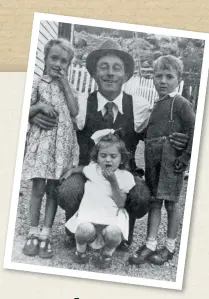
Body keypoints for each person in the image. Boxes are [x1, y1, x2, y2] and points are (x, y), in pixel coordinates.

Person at [29, 40, 189, 251]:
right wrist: (33, 118)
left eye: (117, 69)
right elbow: (60, 122)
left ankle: (120, 232)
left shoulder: (139, 106)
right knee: (67, 190)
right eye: (103, 67)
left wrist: (184, 139)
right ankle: (77, 231)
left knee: (141, 195)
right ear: (94, 74)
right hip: (87, 173)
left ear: (126, 76)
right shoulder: (82, 102)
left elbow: (158, 132)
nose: (110, 73)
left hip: (122, 175)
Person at [129, 55, 195, 266]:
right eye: (159, 76)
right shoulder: (156, 105)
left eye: (169, 76)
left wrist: (185, 156)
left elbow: (195, 129)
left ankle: (169, 247)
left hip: (171, 161)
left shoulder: (180, 103)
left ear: (179, 79)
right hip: (153, 161)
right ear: (153, 79)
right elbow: (148, 133)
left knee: (172, 205)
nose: (163, 81)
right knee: (155, 202)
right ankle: (150, 244)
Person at [22, 38, 79, 258]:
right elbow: (23, 111)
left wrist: (65, 85)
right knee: (37, 189)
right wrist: (39, 106)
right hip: (42, 147)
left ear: (68, 65)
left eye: (64, 61)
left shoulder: (69, 88)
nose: (58, 64)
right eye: (54, 58)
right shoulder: (37, 83)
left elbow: (74, 112)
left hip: (61, 150)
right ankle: (32, 232)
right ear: (45, 59)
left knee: (53, 191)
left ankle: (46, 234)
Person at [63, 129, 136, 269]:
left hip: (111, 219)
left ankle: (107, 254)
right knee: (84, 229)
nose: (108, 159)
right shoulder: (93, 169)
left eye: (113, 156)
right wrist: (71, 171)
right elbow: (82, 168)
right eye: (103, 155)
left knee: (114, 233)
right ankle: (80, 251)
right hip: (89, 216)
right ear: (97, 157)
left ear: (122, 158)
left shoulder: (125, 176)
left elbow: (121, 203)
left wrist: (113, 182)